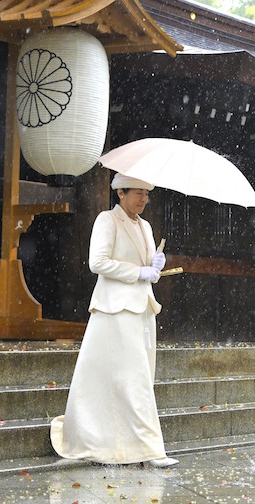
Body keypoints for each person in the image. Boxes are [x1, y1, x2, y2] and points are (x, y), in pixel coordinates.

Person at [50, 173, 178, 468]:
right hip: (115, 310)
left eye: (147, 193)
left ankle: (130, 445)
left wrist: (155, 265)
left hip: (142, 309)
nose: (144, 199)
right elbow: (98, 262)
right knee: (131, 378)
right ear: (120, 192)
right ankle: (151, 450)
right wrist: (138, 272)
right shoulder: (107, 220)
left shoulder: (145, 226)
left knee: (140, 376)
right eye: (138, 193)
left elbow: (146, 267)